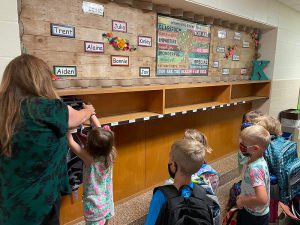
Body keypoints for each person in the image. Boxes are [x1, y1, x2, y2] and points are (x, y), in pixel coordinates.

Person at [0, 54, 96, 225]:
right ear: (40, 79)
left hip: (9, 201)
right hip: (40, 204)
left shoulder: (5, 110)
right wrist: (89, 110)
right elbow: (79, 118)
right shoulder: (49, 108)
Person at [145, 138, 214, 225]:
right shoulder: (202, 193)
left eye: (170, 159)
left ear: (174, 166)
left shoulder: (161, 195)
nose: (169, 162)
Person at [67, 114, 116, 225]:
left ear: (89, 145)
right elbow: (101, 132)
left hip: (94, 207)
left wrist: (67, 124)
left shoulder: (89, 159)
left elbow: (71, 142)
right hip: (106, 202)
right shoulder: (110, 153)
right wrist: (91, 114)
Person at [236, 125, 271, 225]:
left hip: (253, 216)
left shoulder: (254, 169)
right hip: (255, 211)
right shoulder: (257, 159)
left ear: (255, 148)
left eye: (243, 144)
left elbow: (262, 199)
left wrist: (243, 201)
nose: (240, 144)